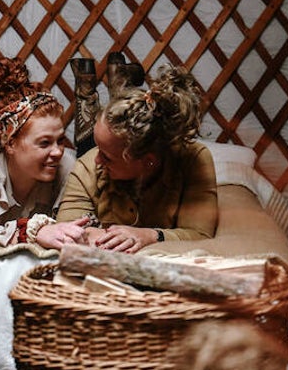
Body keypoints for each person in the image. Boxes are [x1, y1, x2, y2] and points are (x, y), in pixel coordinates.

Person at [56, 65, 218, 253]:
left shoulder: (193, 160)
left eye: (107, 157)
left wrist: (152, 236)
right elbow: (66, 229)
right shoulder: (87, 167)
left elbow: (200, 235)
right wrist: (110, 236)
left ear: (148, 161)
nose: (97, 160)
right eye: (98, 148)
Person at [0, 57, 90, 250]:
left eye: (61, 140)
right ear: (10, 143)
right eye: (45, 143)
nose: (57, 152)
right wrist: (31, 231)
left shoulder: (66, 165)